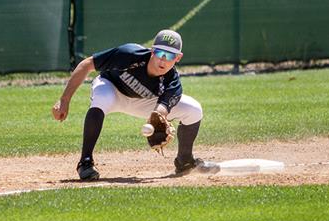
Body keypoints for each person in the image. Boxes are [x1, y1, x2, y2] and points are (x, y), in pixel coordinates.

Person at [52, 29, 213, 180]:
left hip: (143, 102)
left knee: (194, 109)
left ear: (178, 58)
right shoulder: (129, 54)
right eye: (159, 52)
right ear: (152, 51)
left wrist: (156, 121)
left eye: (170, 55)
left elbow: (160, 110)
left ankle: (184, 160)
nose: (162, 59)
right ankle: (85, 162)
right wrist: (64, 100)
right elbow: (87, 64)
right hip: (112, 88)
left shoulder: (172, 83)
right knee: (100, 101)